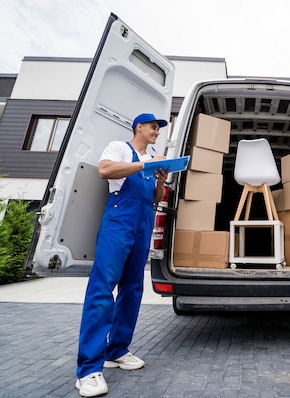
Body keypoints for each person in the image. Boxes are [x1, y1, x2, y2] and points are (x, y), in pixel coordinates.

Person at [75, 113, 170, 397]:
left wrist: (161, 181)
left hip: (143, 220)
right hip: (119, 221)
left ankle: (117, 350)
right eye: (153, 127)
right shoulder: (118, 148)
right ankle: (89, 370)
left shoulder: (153, 156)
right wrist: (144, 163)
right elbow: (104, 171)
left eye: (159, 128)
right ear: (138, 127)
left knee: (132, 289)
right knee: (102, 288)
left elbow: (155, 198)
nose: (157, 132)